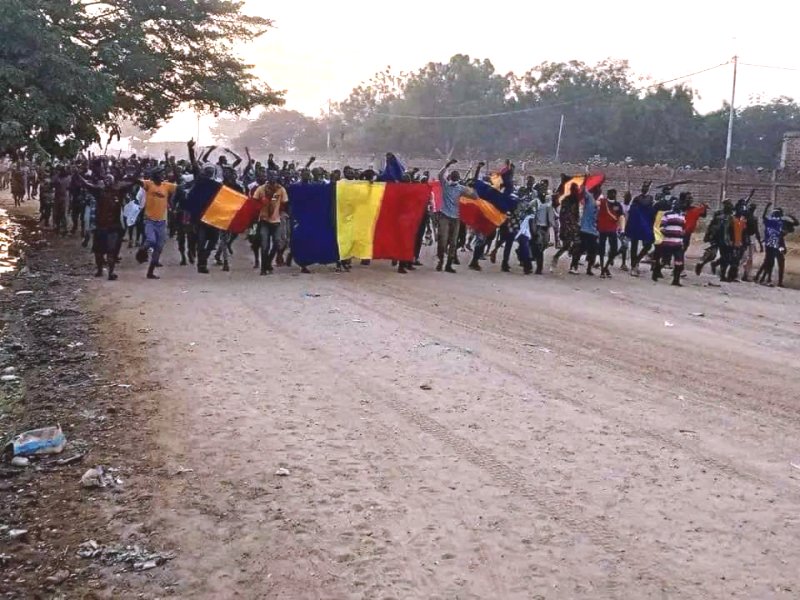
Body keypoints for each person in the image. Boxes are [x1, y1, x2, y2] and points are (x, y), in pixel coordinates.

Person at [78, 174, 134, 281]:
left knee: (111, 251)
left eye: (109, 179)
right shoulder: (99, 192)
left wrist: (138, 169)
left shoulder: (119, 192)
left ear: (113, 181)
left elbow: (131, 183)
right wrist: (77, 174)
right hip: (101, 226)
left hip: (113, 227)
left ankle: (111, 273)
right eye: (105, 179)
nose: (107, 181)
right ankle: (99, 270)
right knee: (98, 252)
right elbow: (86, 185)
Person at [437, 159, 477, 273]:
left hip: (455, 217)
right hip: (445, 215)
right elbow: (440, 174)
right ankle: (441, 261)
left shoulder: (460, 188)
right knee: (443, 241)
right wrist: (447, 165)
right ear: (450, 177)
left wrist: (470, 187)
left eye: (456, 176)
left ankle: (448, 264)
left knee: (453, 242)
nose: (454, 177)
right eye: (453, 175)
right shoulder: (445, 185)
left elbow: (474, 196)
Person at [136, 166, 176, 279]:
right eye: (160, 173)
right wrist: (140, 167)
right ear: (154, 175)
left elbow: (179, 183)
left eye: (163, 173)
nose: (162, 175)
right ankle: (142, 250)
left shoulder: (166, 186)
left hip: (162, 221)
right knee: (150, 240)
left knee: (159, 247)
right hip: (150, 220)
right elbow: (136, 180)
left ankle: (150, 272)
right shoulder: (149, 184)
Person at [252, 171, 288, 275]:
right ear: (268, 177)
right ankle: (263, 268)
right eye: (271, 175)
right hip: (264, 220)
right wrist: (261, 204)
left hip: (276, 220)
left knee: (277, 243)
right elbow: (254, 202)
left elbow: (284, 203)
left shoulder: (281, 189)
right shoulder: (261, 189)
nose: (273, 177)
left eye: (275, 175)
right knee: (264, 245)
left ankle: (268, 262)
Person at [652, 194, 689, 286]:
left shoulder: (682, 216)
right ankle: (656, 271)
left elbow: (683, 228)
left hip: (678, 243)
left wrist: (682, 234)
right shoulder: (667, 214)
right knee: (665, 261)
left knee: (679, 262)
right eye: (676, 204)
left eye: (679, 204)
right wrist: (671, 233)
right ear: (673, 205)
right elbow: (661, 227)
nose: (678, 205)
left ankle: (675, 281)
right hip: (667, 242)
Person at [625, 182, 655, 277]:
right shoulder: (637, 198)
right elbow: (632, 211)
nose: (644, 188)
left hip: (646, 224)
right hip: (637, 224)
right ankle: (634, 265)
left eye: (646, 187)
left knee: (648, 245)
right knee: (634, 245)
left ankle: (637, 260)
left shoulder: (649, 198)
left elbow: (648, 207)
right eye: (643, 187)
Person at [570, 186, 599, 276]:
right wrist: (586, 180)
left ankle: (589, 269)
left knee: (593, 251)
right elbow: (583, 190)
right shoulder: (589, 197)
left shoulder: (597, 202)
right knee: (580, 248)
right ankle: (574, 266)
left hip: (593, 230)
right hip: (585, 229)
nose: (599, 191)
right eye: (598, 189)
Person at [597, 189, 623, 278]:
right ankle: (602, 269)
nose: (612, 194)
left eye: (614, 193)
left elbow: (620, 216)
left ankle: (606, 267)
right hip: (602, 229)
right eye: (610, 193)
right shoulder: (602, 202)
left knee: (614, 249)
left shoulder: (618, 205)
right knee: (601, 250)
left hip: (612, 229)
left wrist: (621, 229)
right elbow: (595, 205)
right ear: (607, 194)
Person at [741, 203, 763, 282]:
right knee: (744, 257)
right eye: (751, 208)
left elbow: (756, 231)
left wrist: (760, 243)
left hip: (750, 239)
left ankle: (745, 275)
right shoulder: (745, 217)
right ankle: (736, 273)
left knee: (749, 259)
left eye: (753, 208)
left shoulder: (754, 218)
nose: (752, 210)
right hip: (744, 239)